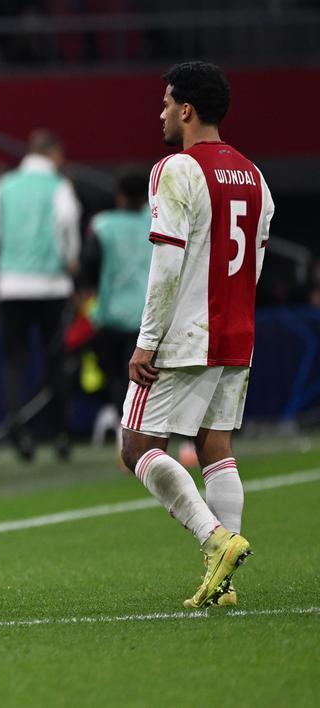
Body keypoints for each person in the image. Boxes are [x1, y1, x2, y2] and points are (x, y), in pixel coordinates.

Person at [119, 61, 273, 609]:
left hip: (186, 334)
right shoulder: (255, 176)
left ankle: (216, 540)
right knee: (215, 446)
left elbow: (166, 263)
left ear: (186, 110)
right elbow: (253, 265)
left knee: (135, 445)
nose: (160, 113)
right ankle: (223, 586)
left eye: (165, 103)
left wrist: (147, 340)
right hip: (237, 332)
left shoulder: (175, 169)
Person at [0, 129, 81, 461]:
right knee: (55, 360)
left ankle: (18, 429)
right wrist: (68, 258)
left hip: (12, 286)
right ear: (52, 154)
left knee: (13, 361)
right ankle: (61, 434)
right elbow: (67, 224)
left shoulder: (5, 185)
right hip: (51, 285)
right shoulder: (59, 187)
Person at [81, 172, 151, 445]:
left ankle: (127, 441)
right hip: (147, 315)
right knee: (148, 384)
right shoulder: (156, 220)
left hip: (111, 315)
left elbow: (89, 266)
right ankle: (152, 440)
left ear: (120, 195)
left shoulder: (103, 226)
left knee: (117, 383)